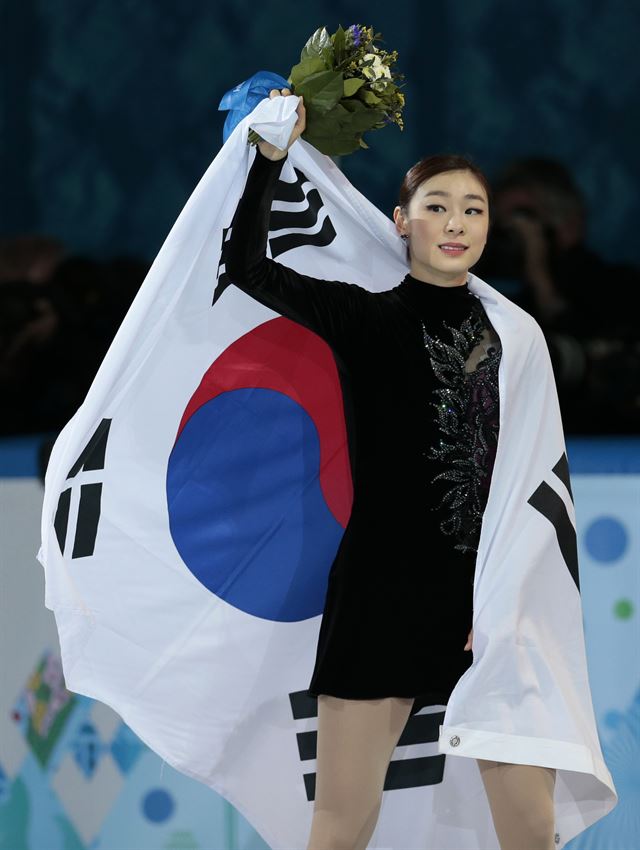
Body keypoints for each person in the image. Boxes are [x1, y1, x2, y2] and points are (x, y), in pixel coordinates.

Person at [225, 88, 558, 850]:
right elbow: (246, 266)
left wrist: (516, 593)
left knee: (533, 832)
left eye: (473, 210)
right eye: (438, 207)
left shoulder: (517, 337)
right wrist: (267, 159)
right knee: (341, 825)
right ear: (402, 222)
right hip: (383, 595)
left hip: (492, 601)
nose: (457, 223)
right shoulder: (367, 319)